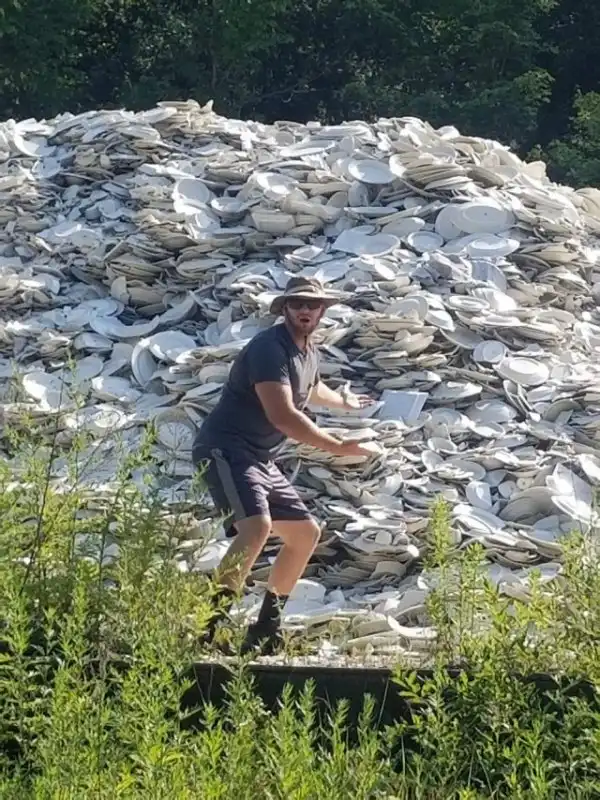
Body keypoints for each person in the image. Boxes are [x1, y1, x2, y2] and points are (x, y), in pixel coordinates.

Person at [192, 276, 375, 654]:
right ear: (285, 308)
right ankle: (209, 630)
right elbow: (283, 415)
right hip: (226, 448)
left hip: (261, 457)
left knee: (305, 533)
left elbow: (312, 388)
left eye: (312, 304)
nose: (305, 310)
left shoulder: (308, 350)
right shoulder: (268, 349)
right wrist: (337, 446)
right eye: (297, 304)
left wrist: (343, 403)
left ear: (322, 311)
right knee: (256, 527)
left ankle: (265, 630)